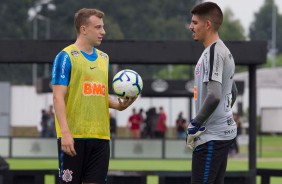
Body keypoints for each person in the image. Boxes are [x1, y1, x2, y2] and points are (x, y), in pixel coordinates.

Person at [51, 8, 135, 184]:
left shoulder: (104, 58)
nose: (103, 32)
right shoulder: (65, 57)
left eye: (102, 27)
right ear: (83, 29)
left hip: (101, 138)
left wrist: (118, 105)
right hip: (73, 137)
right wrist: (65, 133)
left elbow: (99, 95)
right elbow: (58, 97)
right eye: (98, 27)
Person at [186, 2, 238, 184]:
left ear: (207, 25)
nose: (191, 27)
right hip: (220, 134)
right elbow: (233, 91)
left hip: (211, 137)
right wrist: (223, 116)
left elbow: (214, 95)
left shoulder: (214, 52)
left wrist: (195, 124)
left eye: (194, 22)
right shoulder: (220, 50)